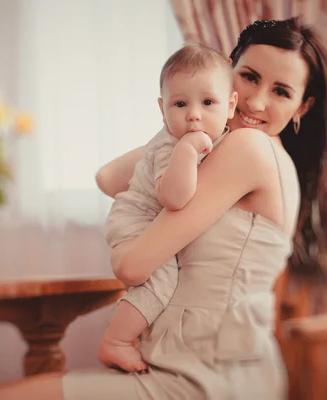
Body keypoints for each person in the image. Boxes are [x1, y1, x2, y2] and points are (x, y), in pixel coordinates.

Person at [0, 16, 327, 400]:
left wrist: (191, 139)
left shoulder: (249, 148)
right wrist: (190, 127)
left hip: (205, 379)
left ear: (303, 107)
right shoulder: (234, 148)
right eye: (249, 77)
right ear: (227, 76)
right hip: (209, 369)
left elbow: (131, 265)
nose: (255, 101)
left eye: (281, 91)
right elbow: (108, 177)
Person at [98, 43, 237, 373]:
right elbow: (175, 199)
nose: (193, 113)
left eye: (207, 102)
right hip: (138, 220)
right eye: (180, 103)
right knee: (159, 284)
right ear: (163, 110)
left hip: (147, 221)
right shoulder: (170, 145)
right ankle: (115, 341)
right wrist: (187, 152)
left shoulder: (226, 141)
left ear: (231, 105)